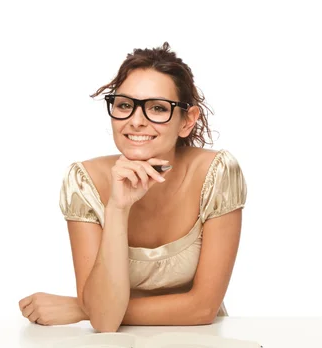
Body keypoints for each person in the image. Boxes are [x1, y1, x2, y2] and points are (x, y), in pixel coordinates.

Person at [18, 42, 247, 332]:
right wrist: (118, 206)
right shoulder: (83, 181)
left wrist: (81, 308)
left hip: (198, 343)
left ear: (187, 121)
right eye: (125, 105)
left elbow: (202, 308)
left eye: (158, 108)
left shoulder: (217, 174)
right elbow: (103, 322)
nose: (136, 121)